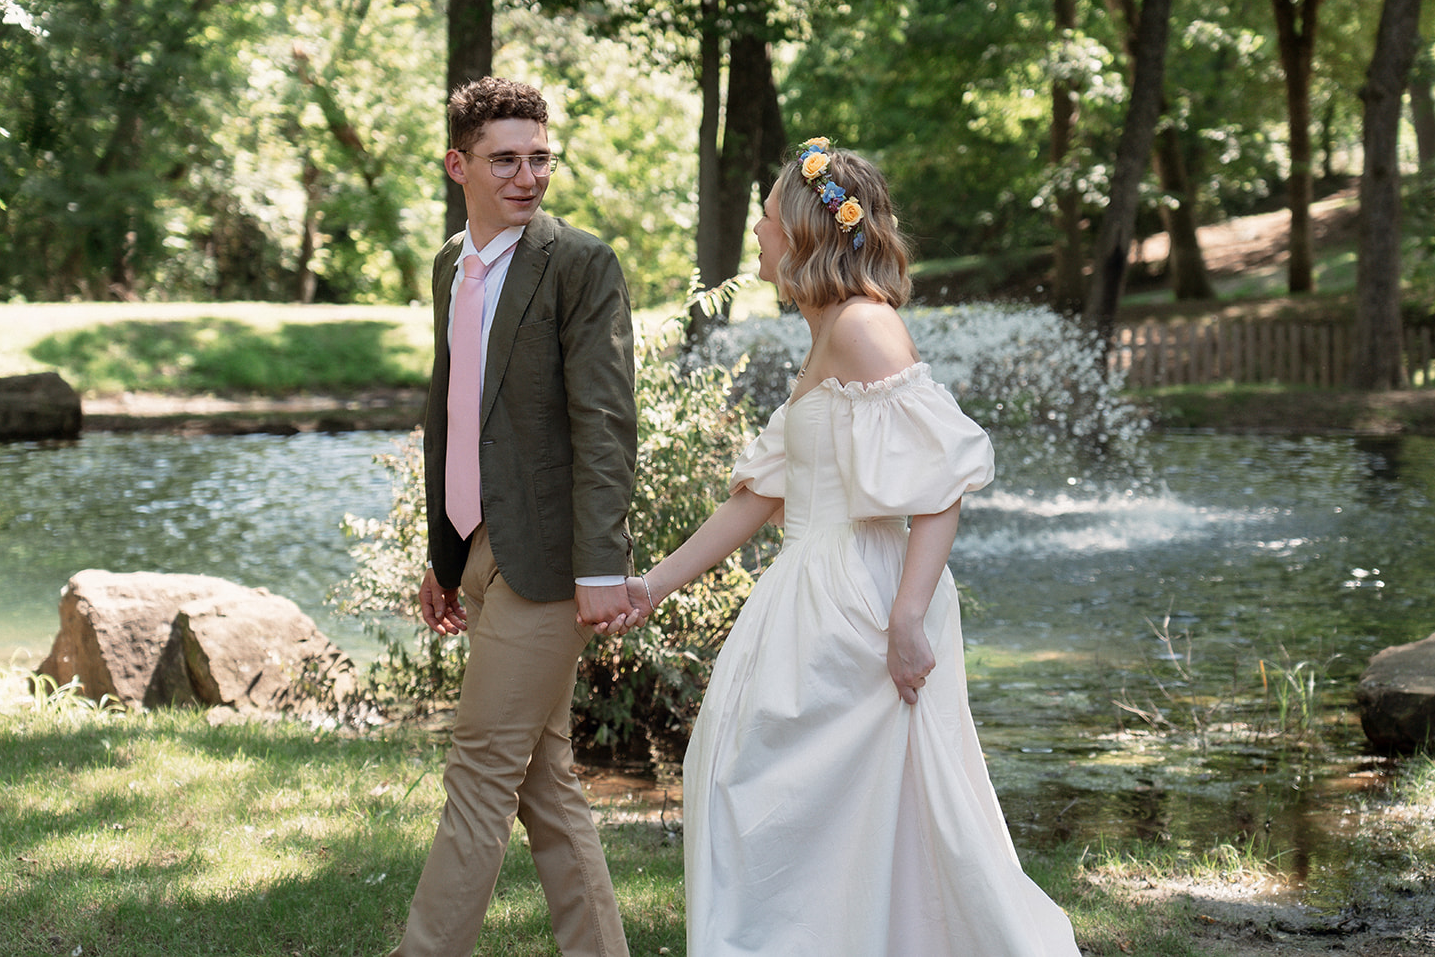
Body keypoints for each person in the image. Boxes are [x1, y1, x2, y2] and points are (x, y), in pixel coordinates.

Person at [612, 139, 1083, 955]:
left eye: (765, 219)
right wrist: (650, 587)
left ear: (800, 230)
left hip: (858, 604)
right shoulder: (829, 330)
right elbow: (759, 498)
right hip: (808, 591)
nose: (756, 235)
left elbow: (944, 482)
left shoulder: (866, 328)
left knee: (800, 796)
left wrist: (906, 617)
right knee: (751, 786)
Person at [392, 77, 639, 957]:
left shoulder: (580, 265)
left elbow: (605, 424)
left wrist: (601, 566)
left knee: (481, 772)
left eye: (540, 157)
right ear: (459, 164)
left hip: (547, 561)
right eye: (506, 159)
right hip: (480, 548)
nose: (528, 176)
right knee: (546, 783)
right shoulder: (447, 264)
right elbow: (456, 411)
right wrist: (445, 552)